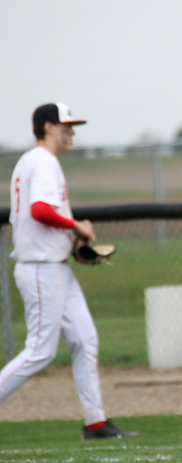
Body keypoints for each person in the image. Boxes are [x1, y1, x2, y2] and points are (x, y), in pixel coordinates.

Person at [1, 102, 138, 439]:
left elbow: (40, 216)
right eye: (67, 125)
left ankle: (95, 422)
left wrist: (74, 248)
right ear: (48, 127)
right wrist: (77, 227)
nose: (72, 131)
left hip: (54, 266)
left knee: (84, 339)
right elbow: (40, 211)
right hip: (41, 269)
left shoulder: (34, 162)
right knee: (39, 351)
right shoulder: (43, 161)